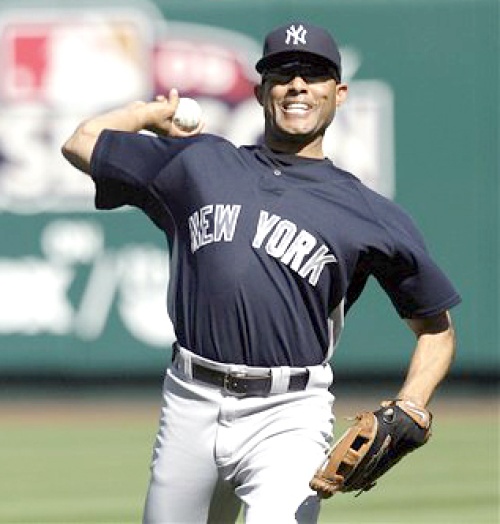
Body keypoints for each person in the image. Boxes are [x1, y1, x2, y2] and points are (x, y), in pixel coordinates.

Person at [62, 20, 460, 524]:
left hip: (288, 415)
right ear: (260, 92)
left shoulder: (369, 212)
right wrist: (149, 113)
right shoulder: (198, 163)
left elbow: (437, 330)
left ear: (339, 94)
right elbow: (81, 143)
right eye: (283, 74)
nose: (297, 85)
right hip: (189, 400)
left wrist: (413, 403)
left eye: (313, 74)